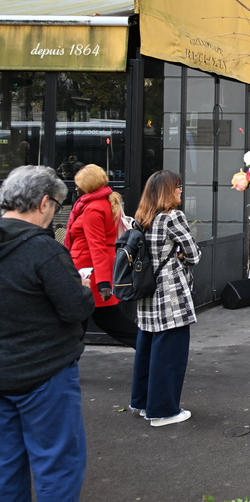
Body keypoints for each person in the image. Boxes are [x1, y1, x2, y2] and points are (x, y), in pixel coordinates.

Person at [0, 166, 95, 501]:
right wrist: (82, 288)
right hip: (45, 375)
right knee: (57, 466)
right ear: (43, 203)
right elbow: (75, 309)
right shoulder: (45, 250)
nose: (55, 213)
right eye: (56, 205)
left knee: (6, 467)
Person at [129, 170, 201, 427]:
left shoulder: (141, 218)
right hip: (170, 295)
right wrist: (181, 255)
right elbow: (194, 254)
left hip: (146, 294)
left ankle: (142, 402)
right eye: (177, 186)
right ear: (167, 191)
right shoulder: (173, 217)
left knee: (147, 349)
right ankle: (163, 411)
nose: (181, 190)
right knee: (170, 354)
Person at [64, 164, 138, 347]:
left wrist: (103, 282)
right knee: (98, 319)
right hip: (91, 271)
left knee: (100, 319)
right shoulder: (103, 203)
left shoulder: (92, 209)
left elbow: (97, 247)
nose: (76, 188)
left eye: (79, 184)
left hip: (88, 272)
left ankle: (65, 362)